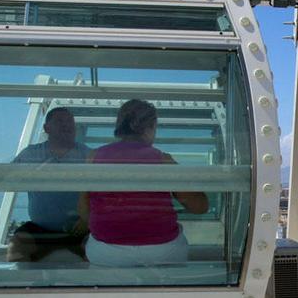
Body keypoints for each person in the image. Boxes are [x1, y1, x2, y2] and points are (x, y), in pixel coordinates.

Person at [79, 99, 208, 267]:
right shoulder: (163, 160)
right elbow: (199, 207)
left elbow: (83, 209)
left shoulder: (93, 157)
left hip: (107, 253)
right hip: (162, 252)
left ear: (119, 125)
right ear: (151, 127)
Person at [7, 107, 92, 262]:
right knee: (16, 248)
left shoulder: (87, 155)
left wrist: (86, 220)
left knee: (96, 250)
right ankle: (20, 286)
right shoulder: (30, 154)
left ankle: (93, 286)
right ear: (47, 128)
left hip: (78, 229)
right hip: (40, 230)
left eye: (70, 121)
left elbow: (101, 194)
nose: (66, 125)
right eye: (60, 121)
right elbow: (7, 179)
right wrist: (34, 174)